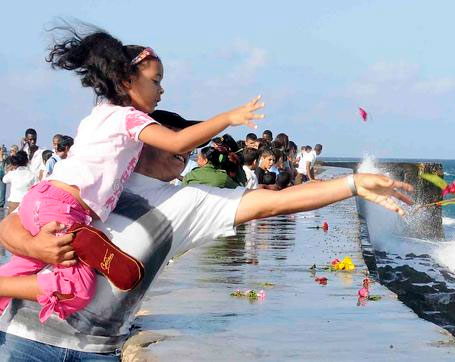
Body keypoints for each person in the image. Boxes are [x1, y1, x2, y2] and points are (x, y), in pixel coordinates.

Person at [0, 111, 413, 360]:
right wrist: (34, 246)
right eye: (176, 142)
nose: (185, 153)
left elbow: (271, 203)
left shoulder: (188, 202)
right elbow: (12, 223)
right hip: (23, 337)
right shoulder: (96, 178)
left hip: (99, 350)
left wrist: (352, 185)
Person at [0, 24, 265, 325]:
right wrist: (227, 118)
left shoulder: (100, 111)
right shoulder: (128, 118)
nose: (161, 90)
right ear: (126, 80)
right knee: (77, 288)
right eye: (156, 81)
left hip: (45, 199)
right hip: (64, 208)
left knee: (21, 270)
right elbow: (178, 142)